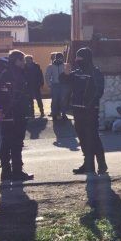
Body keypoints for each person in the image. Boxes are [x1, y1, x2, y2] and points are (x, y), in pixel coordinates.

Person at [65, 47, 107, 175]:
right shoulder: (76, 72)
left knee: (93, 137)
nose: (77, 59)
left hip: (90, 111)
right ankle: (88, 164)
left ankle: (102, 164)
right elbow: (64, 81)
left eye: (79, 57)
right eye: (76, 57)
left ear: (86, 58)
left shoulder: (95, 72)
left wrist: (90, 104)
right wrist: (65, 73)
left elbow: (99, 90)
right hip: (77, 110)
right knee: (82, 138)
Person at [0, 50, 33, 182]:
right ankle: (11, 171)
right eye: (22, 60)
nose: (24, 62)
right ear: (16, 61)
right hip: (12, 114)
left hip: (18, 114)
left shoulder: (18, 73)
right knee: (11, 143)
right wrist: (0, 109)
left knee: (13, 143)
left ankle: (11, 171)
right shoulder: (8, 75)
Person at [45, 52, 68, 120]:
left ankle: (63, 114)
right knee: (54, 100)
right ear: (56, 58)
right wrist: (49, 84)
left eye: (62, 58)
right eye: (59, 58)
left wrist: (67, 84)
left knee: (63, 100)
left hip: (64, 85)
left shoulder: (65, 65)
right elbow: (47, 76)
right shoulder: (50, 66)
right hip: (55, 85)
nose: (61, 59)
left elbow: (68, 75)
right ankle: (54, 114)